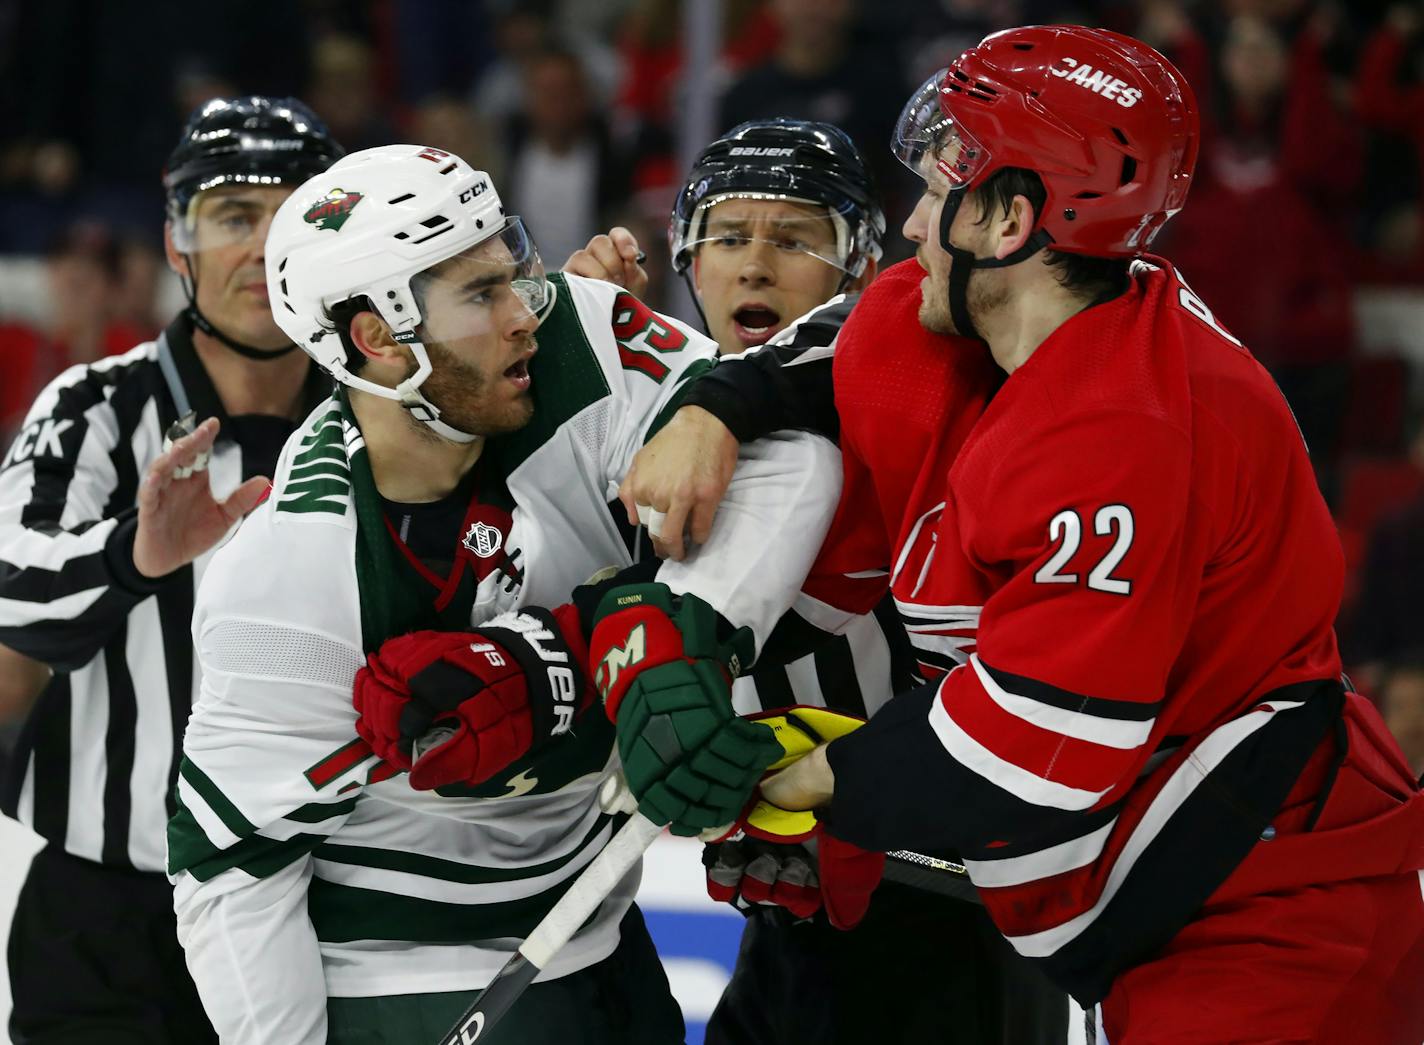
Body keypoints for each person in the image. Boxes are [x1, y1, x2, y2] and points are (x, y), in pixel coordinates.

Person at [600, 25, 1424, 1043]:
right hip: (1148, 902)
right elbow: (833, 339)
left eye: (943, 184)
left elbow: (1042, 749)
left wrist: (804, 778)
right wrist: (715, 406)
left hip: (1270, 912)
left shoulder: (1120, 432)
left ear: (1009, 219)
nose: (910, 224)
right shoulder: (976, 323)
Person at [168, 143, 841, 1044]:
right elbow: (232, 865)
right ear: (377, 336)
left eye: (510, 266)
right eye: (479, 295)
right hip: (408, 983)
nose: (525, 310)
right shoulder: (289, 571)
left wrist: (693, 624)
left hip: (600, 939)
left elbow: (788, 445)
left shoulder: (584, 343)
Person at [567, 117, 1067, 1044]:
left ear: (862, 267)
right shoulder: (668, 419)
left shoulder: (920, 384)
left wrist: (647, 374)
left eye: (797, 239)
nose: (755, 267)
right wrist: (588, 360)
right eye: (727, 236)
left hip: (949, 911)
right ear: (687, 258)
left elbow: (867, 335)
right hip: (797, 914)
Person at [0, 96, 341, 1043]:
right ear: (177, 242)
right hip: (105, 913)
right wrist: (137, 553)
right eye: (233, 216)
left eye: (296, 216)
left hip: (320, 907)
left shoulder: (380, 424)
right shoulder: (97, 407)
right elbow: (12, 588)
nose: (262, 248)